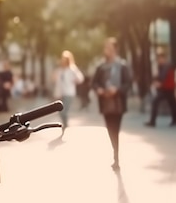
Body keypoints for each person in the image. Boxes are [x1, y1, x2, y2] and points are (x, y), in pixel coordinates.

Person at [91, 37, 132, 171]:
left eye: (109, 47)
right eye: (105, 47)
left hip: (118, 102)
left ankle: (116, 156)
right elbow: (94, 83)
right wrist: (99, 90)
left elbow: (127, 83)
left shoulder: (122, 65)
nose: (106, 49)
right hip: (105, 103)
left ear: (115, 48)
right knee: (110, 129)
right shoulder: (101, 67)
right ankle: (115, 154)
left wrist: (117, 90)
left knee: (116, 130)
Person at [51, 50, 84, 133]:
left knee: (64, 111)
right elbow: (55, 80)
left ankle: (65, 125)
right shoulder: (60, 70)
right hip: (60, 93)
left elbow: (80, 78)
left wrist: (74, 80)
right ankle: (65, 124)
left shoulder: (72, 69)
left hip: (69, 93)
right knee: (59, 110)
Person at [144, 48, 176, 127]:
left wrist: (159, 83)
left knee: (157, 102)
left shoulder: (167, 66)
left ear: (163, 58)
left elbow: (163, 77)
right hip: (167, 88)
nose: (158, 60)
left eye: (159, 58)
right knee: (172, 104)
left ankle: (152, 121)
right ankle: (174, 120)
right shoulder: (163, 66)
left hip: (167, 88)